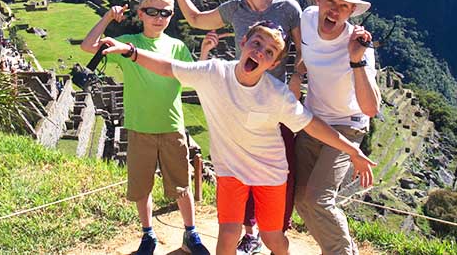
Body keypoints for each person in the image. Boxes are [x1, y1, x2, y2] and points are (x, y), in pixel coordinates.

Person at [99, 21, 376, 255]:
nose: (259, 52)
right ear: (243, 42)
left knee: (272, 238)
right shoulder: (213, 73)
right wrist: (132, 52)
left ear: (273, 64)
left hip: (270, 173)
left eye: (268, 52)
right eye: (256, 43)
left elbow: (312, 124)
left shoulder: (276, 94)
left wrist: (351, 149)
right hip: (231, 171)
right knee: (229, 233)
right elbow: (167, 67)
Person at [156, 0, 302, 254]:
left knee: (277, 180)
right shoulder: (234, 10)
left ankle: (270, 234)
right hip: (241, 104)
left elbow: (303, 55)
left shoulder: (288, 8)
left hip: (276, 107)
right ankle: (250, 233)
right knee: (239, 177)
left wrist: (297, 81)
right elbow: (196, 19)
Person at [81, 0, 211, 255]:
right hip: (140, 128)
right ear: (140, 13)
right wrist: (107, 17)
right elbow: (88, 46)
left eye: (164, 12)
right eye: (152, 11)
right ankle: (148, 234)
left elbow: (194, 76)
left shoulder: (177, 47)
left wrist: (205, 53)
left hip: (172, 126)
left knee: (182, 185)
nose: (158, 17)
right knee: (142, 186)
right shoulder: (128, 43)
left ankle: (191, 233)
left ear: (171, 15)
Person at [294, 0, 381, 255]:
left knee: (319, 198)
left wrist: (356, 60)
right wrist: (299, 70)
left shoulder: (359, 47)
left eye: (344, 6)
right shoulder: (306, 18)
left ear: (352, 11)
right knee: (300, 199)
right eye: (331, 1)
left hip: (348, 125)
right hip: (313, 120)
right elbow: (302, 48)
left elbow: (371, 108)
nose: (335, 11)